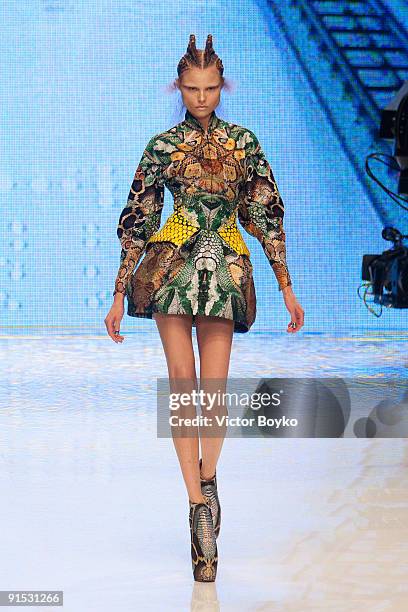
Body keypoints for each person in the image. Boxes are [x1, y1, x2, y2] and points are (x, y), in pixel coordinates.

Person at [105, 33, 304, 582]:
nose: (201, 97)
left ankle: (207, 480)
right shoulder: (162, 146)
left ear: (223, 87)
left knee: (213, 390)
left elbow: (266, 215)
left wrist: (286, 285)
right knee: (181, 384)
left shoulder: (245, 143)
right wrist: (120, 290)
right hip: (171, 265)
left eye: (210, 88)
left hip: (226, 267)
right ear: (179, 87)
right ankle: (197, 508)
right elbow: (139, 217)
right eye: (192, 89)